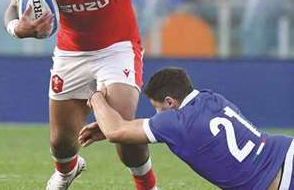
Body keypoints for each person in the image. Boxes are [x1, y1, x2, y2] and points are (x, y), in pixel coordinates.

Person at [3, 0, 157, 190]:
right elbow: (11, 10)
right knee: (61, 142)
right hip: (71, 54)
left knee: (122, 129)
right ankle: (67, 172)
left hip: (117, 48)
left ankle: (148, 186)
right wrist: (17, 28)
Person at [80, 67, 294, 190]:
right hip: (286, 150)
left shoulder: (176, 122)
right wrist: (125, 126)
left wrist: (95, 96)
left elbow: (115, 131)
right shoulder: (211, 98)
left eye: (158, 109)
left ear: (170, 102)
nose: (157, 116)